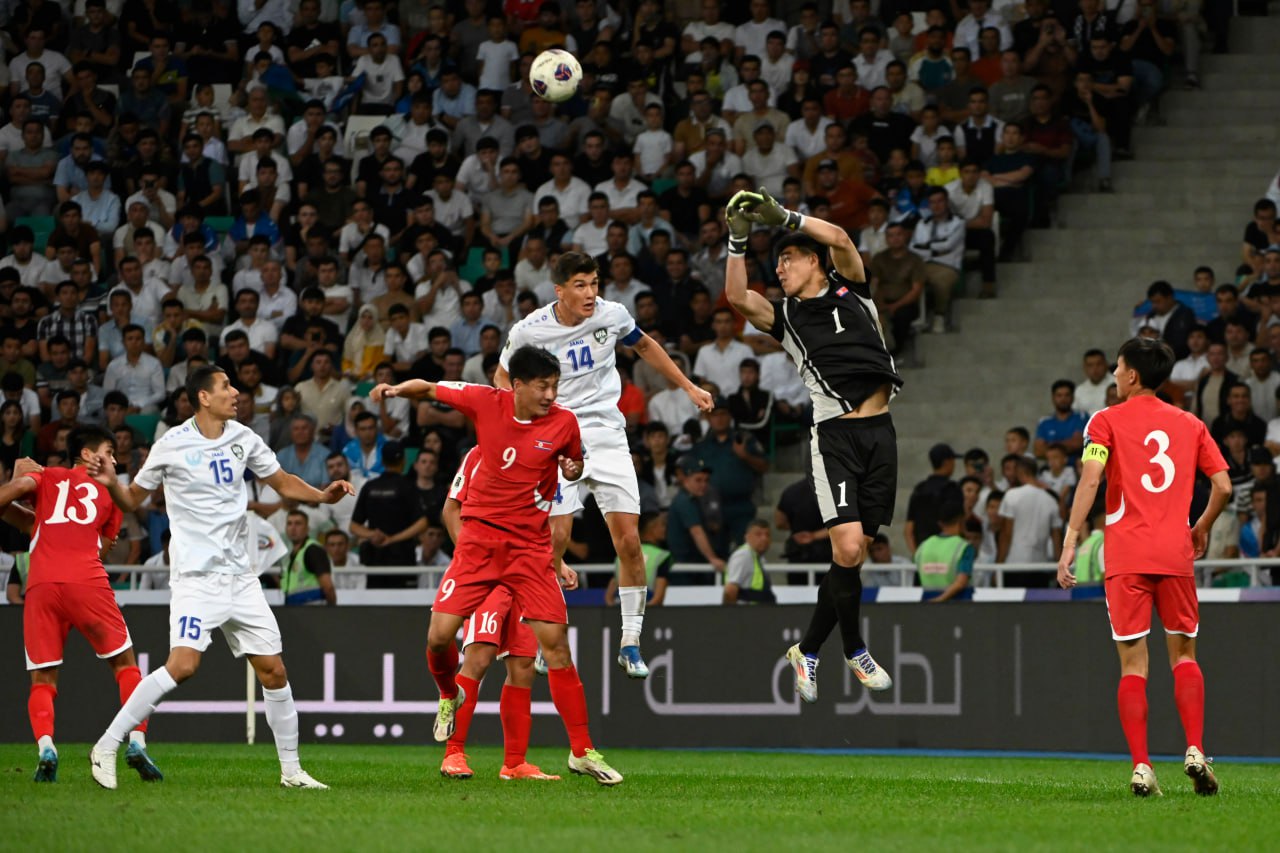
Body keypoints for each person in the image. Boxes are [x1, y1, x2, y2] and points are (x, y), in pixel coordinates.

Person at [84, 365, 354, 790]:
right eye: (226, 386)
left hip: (240, 578)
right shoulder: (171, 444)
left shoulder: (243, 438)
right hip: (196, 579)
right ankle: (106, 744)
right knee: (183, 665)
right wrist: (110, 484)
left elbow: (282, 481)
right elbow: (133, 499)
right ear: (204, 397)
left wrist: (321, 495)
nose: (235, 392)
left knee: (274, 672)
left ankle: (291, 772)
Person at [371, 346, 624, 785]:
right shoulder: (484, 405)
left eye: (555, 386)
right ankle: (449, 701)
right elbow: (429, 388)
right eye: (543, 386)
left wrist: (573, 468)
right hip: (480, 549)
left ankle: (580, 751)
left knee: (551, 649)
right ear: (517, 385)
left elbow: (574, 467)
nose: (551, 395)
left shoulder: (564, 422)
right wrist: (394, 389)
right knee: (441, 639)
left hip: (529, 551)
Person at [494, 251, 712, 679]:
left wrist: (688, 386)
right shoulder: (529, 330)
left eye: (594, 283)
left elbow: (644, 345)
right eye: (580, 285)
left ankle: (630, 642)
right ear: (559, 291)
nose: (591, 293)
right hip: (556, 436)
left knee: (630, 542)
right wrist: (523, 425)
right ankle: (545, 634)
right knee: (556, 539)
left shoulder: (612, 315)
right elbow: (502, 378)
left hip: (608, 434)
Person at [725, 184, 902, 702]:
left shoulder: (854, 292)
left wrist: (784, 217)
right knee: (846, 547)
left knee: (856, 552)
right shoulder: (787, 318)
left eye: (789, 259)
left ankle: (807, 649)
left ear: (815, 262)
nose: (780, 269)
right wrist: (737, 242)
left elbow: (842, 237)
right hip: (836, 436)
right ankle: (854, 647)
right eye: (778, 262)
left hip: (881, 433)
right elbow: (737, 298)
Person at [1059, 337, 1230, 798]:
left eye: (1117, 368)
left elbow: (1091, 479)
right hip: (1175, 554)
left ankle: (1141, 766)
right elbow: (1223, 486)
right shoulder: (1191, 424)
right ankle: (1194, 749)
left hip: (1126, 557)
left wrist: (1071, 540)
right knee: (1185, 656)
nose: (1115, 374)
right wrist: (1201, 526)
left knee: (1133, 665)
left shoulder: (1105, 421)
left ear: (1132, 375)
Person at [0, 429, 160, 783]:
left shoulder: (45, 476)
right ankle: (136, 741)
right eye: (109, 452)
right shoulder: (113, 492)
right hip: (86, 581)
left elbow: (15, 500)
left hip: (41, 584)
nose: (114, 460)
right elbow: (102, 548)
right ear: (87, 455)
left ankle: (46, 748)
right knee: (125, 665)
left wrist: (19, 481)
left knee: (42, 679)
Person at [436, 446, 556, 781]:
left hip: (525, 573)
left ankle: (515, 763)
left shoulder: (537, 455)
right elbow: (451, 509)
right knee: (479, 657)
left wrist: (556, 562)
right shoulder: (480, 453)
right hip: (486, 572)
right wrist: (472, 561)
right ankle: (453, 754)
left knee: (523, 665)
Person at [904, 443, 962, 554]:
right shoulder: (952, 489)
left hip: (924, 553)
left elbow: (908, 531)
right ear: (946, 462)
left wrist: (917, 555)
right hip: (947, 553)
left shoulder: (920, 489)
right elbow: (959, 524)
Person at [914, 502, 974, 602]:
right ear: (961, 520)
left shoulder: (923, 546)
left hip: (927, 602)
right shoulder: (963, 547)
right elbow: (961, 582)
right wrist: (940, 600)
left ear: (940, 523)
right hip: (958, 603)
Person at [281, 510, 336, 606]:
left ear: (307, 529)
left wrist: (332, 610)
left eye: (298, 523)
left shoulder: (313, 550)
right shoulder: (293, 554)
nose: (293, 528)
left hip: (313, 610)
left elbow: (328, 587)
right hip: (295, 609)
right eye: (289, 524)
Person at [723, 518, 776, 604]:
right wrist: (730, 612)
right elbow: (730, 591)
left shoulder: (759, 558)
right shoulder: (743, 556)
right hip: (746, 611)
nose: (764, 538)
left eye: (767, 535)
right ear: (747, 537)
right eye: (758, 534)